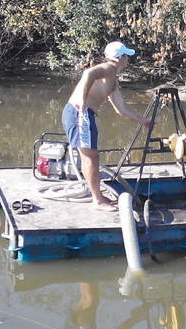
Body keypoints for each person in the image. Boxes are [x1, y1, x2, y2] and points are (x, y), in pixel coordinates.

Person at [62, 41, 150, 209]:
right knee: (91, 156)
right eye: (126, 57)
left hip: (84, 114)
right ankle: (98, 200)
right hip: (79, 113)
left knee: (91, 156)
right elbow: (88, 73)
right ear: (120, 57)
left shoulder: (113, 80)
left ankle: (98, 196)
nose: (128, 61)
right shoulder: (109, 68)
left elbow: (121, 110)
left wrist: (143, 121)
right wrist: (82, 101)